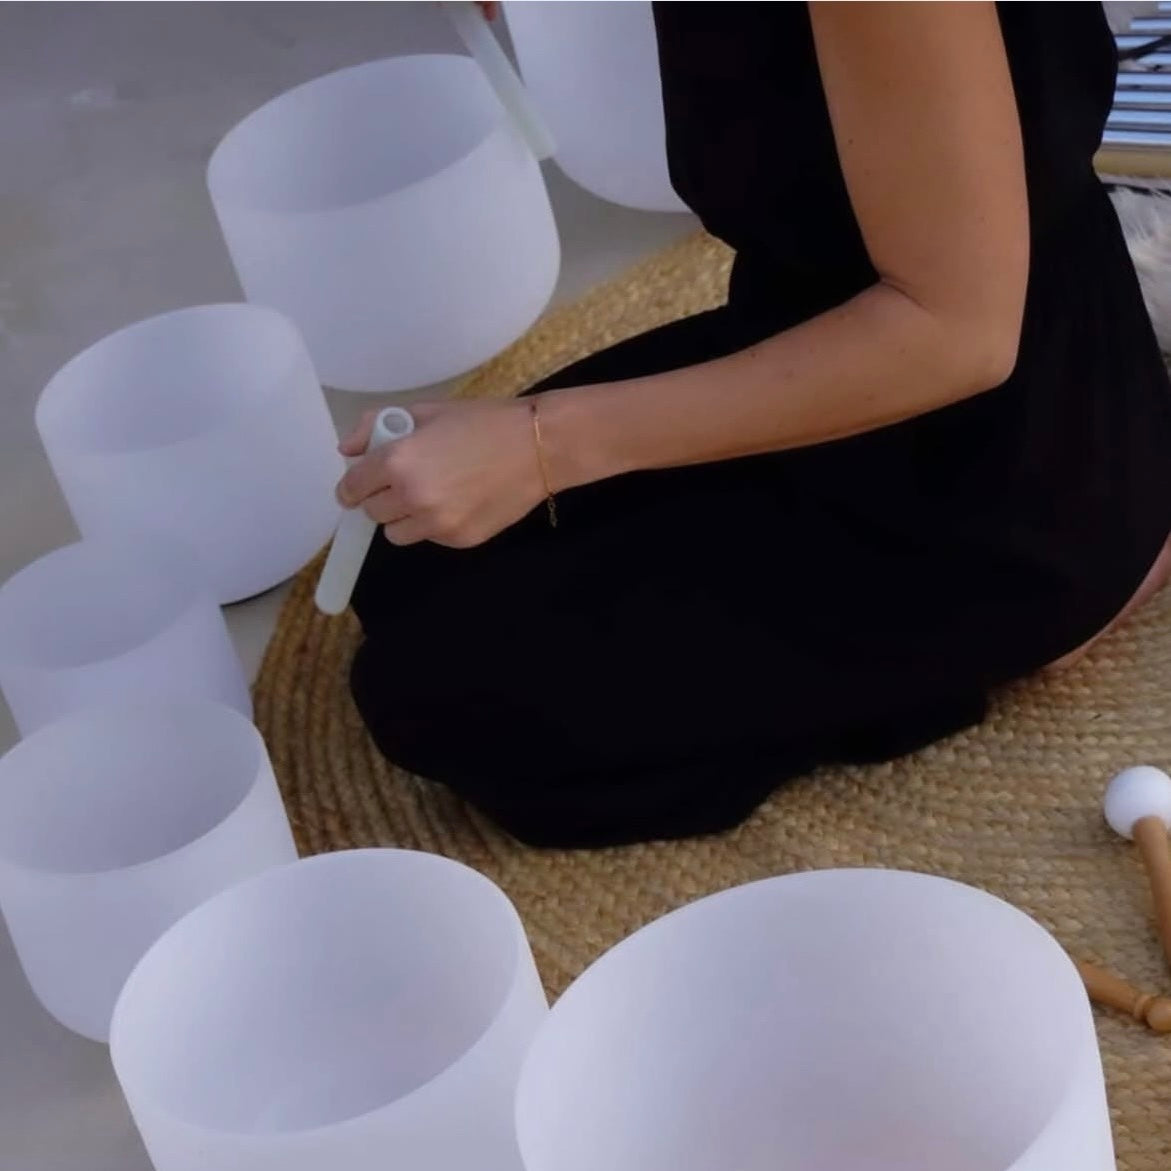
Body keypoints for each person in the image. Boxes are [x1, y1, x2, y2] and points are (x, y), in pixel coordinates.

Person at [339, 3, 1171, 848]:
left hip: (995, 462)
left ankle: (1083, 582)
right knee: (405, 562)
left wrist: (541, 445)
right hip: (807, 326)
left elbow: (956, 336)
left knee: (438, 702)